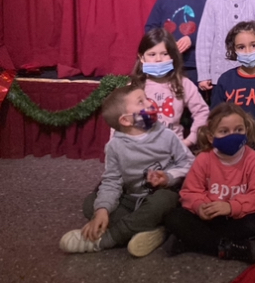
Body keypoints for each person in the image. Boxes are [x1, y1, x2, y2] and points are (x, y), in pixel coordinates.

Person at [59, 85, 193, 257]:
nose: (150, 103)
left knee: (163, 200)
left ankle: (109, 239)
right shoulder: (114, 146)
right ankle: (153, 229)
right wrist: (102, 210)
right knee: (91, 204)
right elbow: (112, 181)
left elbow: (189, 163)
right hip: (132, 199)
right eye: (141, 102)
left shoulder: (167, 135)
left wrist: (168, 177)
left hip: (161, 197)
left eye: (146, 98)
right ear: (126, 121)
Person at [163, 103, 255, 263]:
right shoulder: (204, 159)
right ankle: (233, 249)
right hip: (209, 217)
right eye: (224, 131)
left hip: (236, 217)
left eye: (239, 130)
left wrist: (231, 207)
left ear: (246, 130)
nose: (232, 135)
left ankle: (192, 243)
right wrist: (200, 207)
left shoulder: (253, 159)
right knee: (174, 218)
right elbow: (190, 192)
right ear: (211, 137)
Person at [132, 28, 209, 149]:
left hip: (173, 150)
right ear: (142, 57)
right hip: (141, 150)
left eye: (165, 54)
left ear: (173, 56)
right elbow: (119, 119)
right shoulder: (133, 86)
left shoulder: (183, 83)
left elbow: (202, 112)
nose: (158, 59)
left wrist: (190, 140)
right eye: (152, 54)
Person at [145, 0, 210, 86]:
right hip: (167, 63)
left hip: (196, 65)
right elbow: (150, 28)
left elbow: (213, 30)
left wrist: (192, 39)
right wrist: (167, 42)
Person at [211, 22, 255, 162]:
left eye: (253, 45)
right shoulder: (225, 80)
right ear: (234, 50)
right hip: (229, 152)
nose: (248, 51)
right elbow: (215, 119)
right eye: (241, 47)